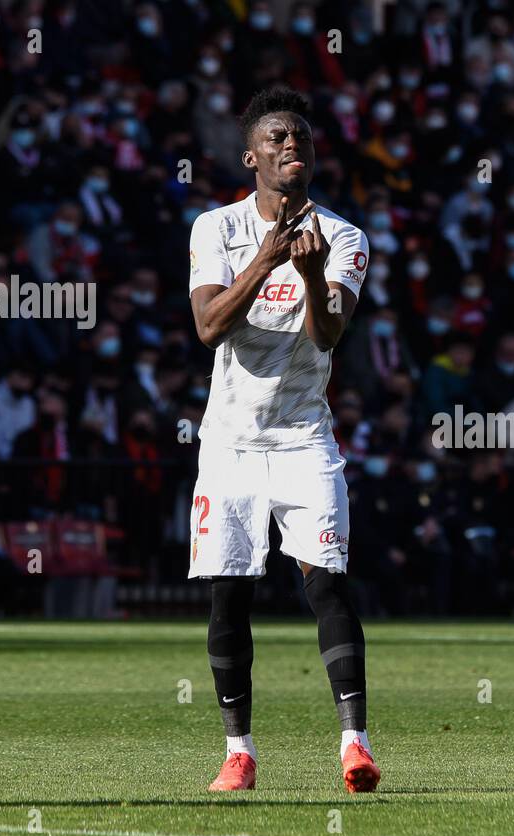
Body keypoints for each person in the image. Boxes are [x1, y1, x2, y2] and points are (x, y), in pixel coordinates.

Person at [187, 86, 379, 794]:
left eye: (300, 134)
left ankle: (354, 745)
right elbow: (209, 326)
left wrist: (307, 268)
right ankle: (239, 750)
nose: (291, 143)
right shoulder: (215, 228)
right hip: (230, 443)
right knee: (228, 595)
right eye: (276, 137)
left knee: (327, 580)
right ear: (251, 157)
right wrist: (267, 259)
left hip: (303, 437)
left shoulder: (346, 238)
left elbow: (329, 332)